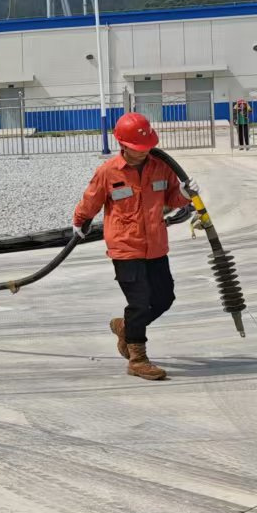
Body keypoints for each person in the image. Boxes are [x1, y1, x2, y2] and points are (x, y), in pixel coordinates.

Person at [72, 112, 189, 382]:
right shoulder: (108, 171)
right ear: (122, 144)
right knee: (139, 302)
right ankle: (138, 358)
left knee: (164, 298)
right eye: (138, 147)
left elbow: (172, 197)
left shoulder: (161, 167)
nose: (144, 151)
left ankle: (125, 327)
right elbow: (91, 200)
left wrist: (184, 193)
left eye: (147, 146)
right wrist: (79, 221)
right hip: (125, 246)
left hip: (156, 245)